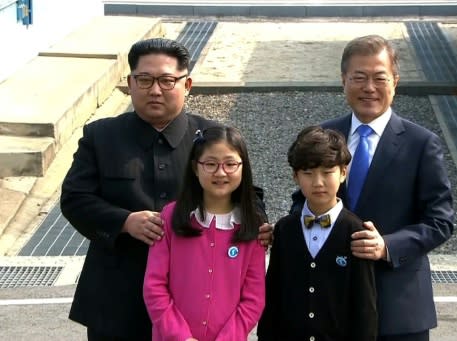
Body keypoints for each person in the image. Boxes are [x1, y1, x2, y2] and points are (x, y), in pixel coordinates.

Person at [60, 38, 270, 340]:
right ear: (130, 83)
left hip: (193, 301)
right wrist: (124, 221)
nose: (155, 90)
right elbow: (75, 199)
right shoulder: (102, 135)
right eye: (144, 80)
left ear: (187, 84)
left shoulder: (211, 137)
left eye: (167, 80)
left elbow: (248, 193)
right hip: (118, 291)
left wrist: (258, 224)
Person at [290, 35, 454, 341]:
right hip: (330, 302)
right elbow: (302, 201)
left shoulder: (421, 143)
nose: (369, 87)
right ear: (344, 81)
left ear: (395, 81)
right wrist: (288, 229)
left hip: (397, 308)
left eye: (379, 78)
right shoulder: (324, 134)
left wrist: (387, 246)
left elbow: (441, 221)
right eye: (359, 78)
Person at [143, 126, 266, 341]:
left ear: (242, 167)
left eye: (230, 164)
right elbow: (154, 287)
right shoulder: (171, 216)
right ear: (195, 167)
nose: (220, 172)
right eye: (210, 164)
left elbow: (253, 299)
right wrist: (181, 337)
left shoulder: (252, 226)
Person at [257, 126, 377, 341]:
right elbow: (273, 294)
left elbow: (365, 306)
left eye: (327, 172)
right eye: (308, 173)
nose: (318, 182)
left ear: (343, 173)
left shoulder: (356, 231)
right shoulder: (284, 229)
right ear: (295, 176)